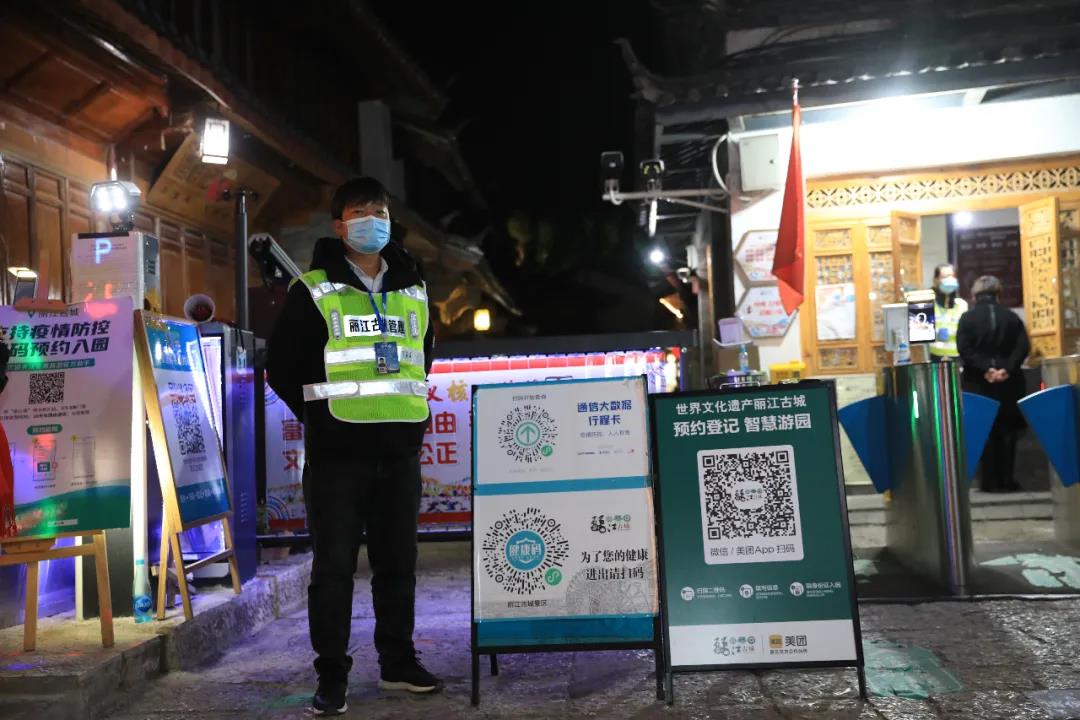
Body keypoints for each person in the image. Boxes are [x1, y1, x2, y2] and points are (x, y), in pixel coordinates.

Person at [267, 177, 441, 716]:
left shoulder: (414, 286)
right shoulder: (314, 288)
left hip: (399, 450)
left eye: (380, 212)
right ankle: (332, 676)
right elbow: (282, 367)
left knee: (398, 564)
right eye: (361, 212)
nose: (372, 221)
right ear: (340, 226)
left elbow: (422, 355)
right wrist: (321, 419)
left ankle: (398, 663)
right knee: (333, 569)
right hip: (337, 456)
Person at [956, 275, 1030, 493]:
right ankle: (1007, 480)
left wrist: (986, 369)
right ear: (999, 294)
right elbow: (1022, 347)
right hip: (1009, 383)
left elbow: (964, 349)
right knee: (1007, 431)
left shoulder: (967, 319)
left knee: (983, 430)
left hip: (978, 383)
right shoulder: (1011, 317)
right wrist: (1006, 369)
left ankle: (988, 481)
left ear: (974, 295)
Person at [929, 263, 968, 362]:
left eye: (952, 276)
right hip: (934, 358)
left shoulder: (962, 305)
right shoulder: (928, 304)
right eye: (945, 277)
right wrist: (934, 334)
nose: (950, 280)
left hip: (957, 358)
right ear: (936, 280)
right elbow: (919, 333)